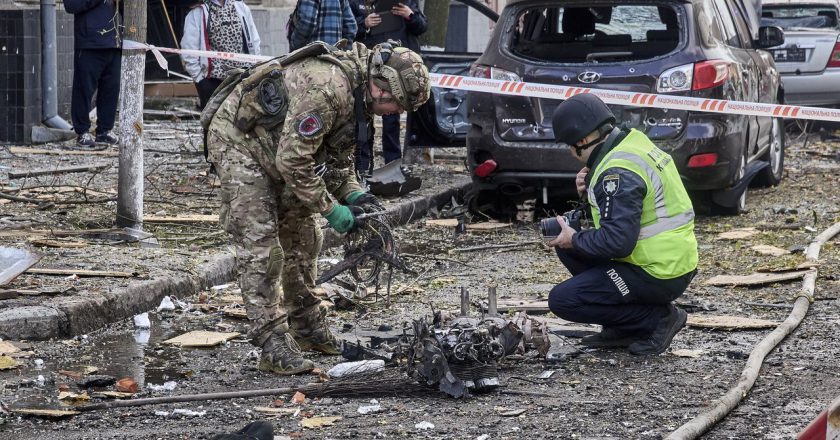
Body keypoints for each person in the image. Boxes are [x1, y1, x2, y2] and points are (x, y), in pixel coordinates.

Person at [204, 41, 430, 374]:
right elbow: (294, 161)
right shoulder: (329, 90)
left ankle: (307, 325)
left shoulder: (358, 98)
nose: (397, 113)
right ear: (382, 89)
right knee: (262, 246)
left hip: (280, 150)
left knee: (306, 237)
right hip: (241, 144)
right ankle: (271, 343)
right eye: (398, 105)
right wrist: (333, 210)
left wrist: (355, 196)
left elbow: (335, 160)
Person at [546, 93, 698, 356]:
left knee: (562, 300)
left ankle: (658, 319)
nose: (571, 153)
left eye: (570, 146)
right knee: (569, 246)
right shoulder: (632, 143)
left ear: (583, 140)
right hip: (672, 257)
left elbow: (617, 241)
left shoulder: (617, 173)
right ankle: (624, 326)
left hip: (659, 270)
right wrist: (588, 193)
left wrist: (575, 238)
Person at [352, 0, 427, 173]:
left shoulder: (407, 1)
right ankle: (363, 167)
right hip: (370, 68)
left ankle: (392, 165)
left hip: (400, 70)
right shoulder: (356, 2)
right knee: (363, 115)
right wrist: (364, 24)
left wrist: (410, 15)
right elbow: (347, 28)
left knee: (392, 116)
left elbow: (422, 27)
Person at [181, 0, 261, 110]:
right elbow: (189, 49)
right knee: (214, 123)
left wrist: (254, 66)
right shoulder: (198, 13)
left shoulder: (241, 8)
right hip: (212, 82)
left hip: (241, 78)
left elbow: (253, 40)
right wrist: (200, 79)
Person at [64, 0, 122, 150]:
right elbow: (71, 5)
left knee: (111, 89)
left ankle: (105, 131)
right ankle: (82, 132)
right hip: (90, 42)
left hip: (114, 41)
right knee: (84, 89)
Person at [288, 0, 358, 51]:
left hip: (312, 60)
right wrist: (342, 51)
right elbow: (351, 26)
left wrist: (295, 48)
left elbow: (307, 22)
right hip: (335, 61)